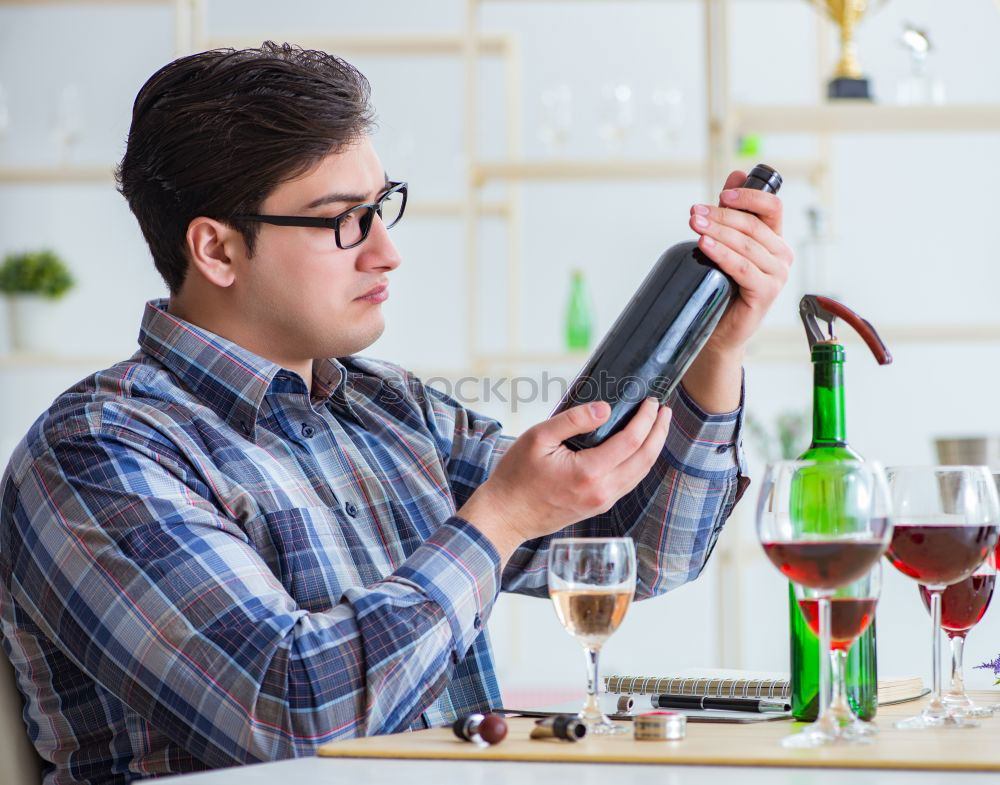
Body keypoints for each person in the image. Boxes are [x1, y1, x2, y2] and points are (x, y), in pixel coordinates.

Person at [0, 42, 792, 783]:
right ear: (217, 251)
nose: (385, 250)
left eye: (383, 207)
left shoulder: (387, 408)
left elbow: (635, 550)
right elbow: (286, 716)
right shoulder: (99, 452)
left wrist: (714, 350)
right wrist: (499, 519)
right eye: (344, 218)